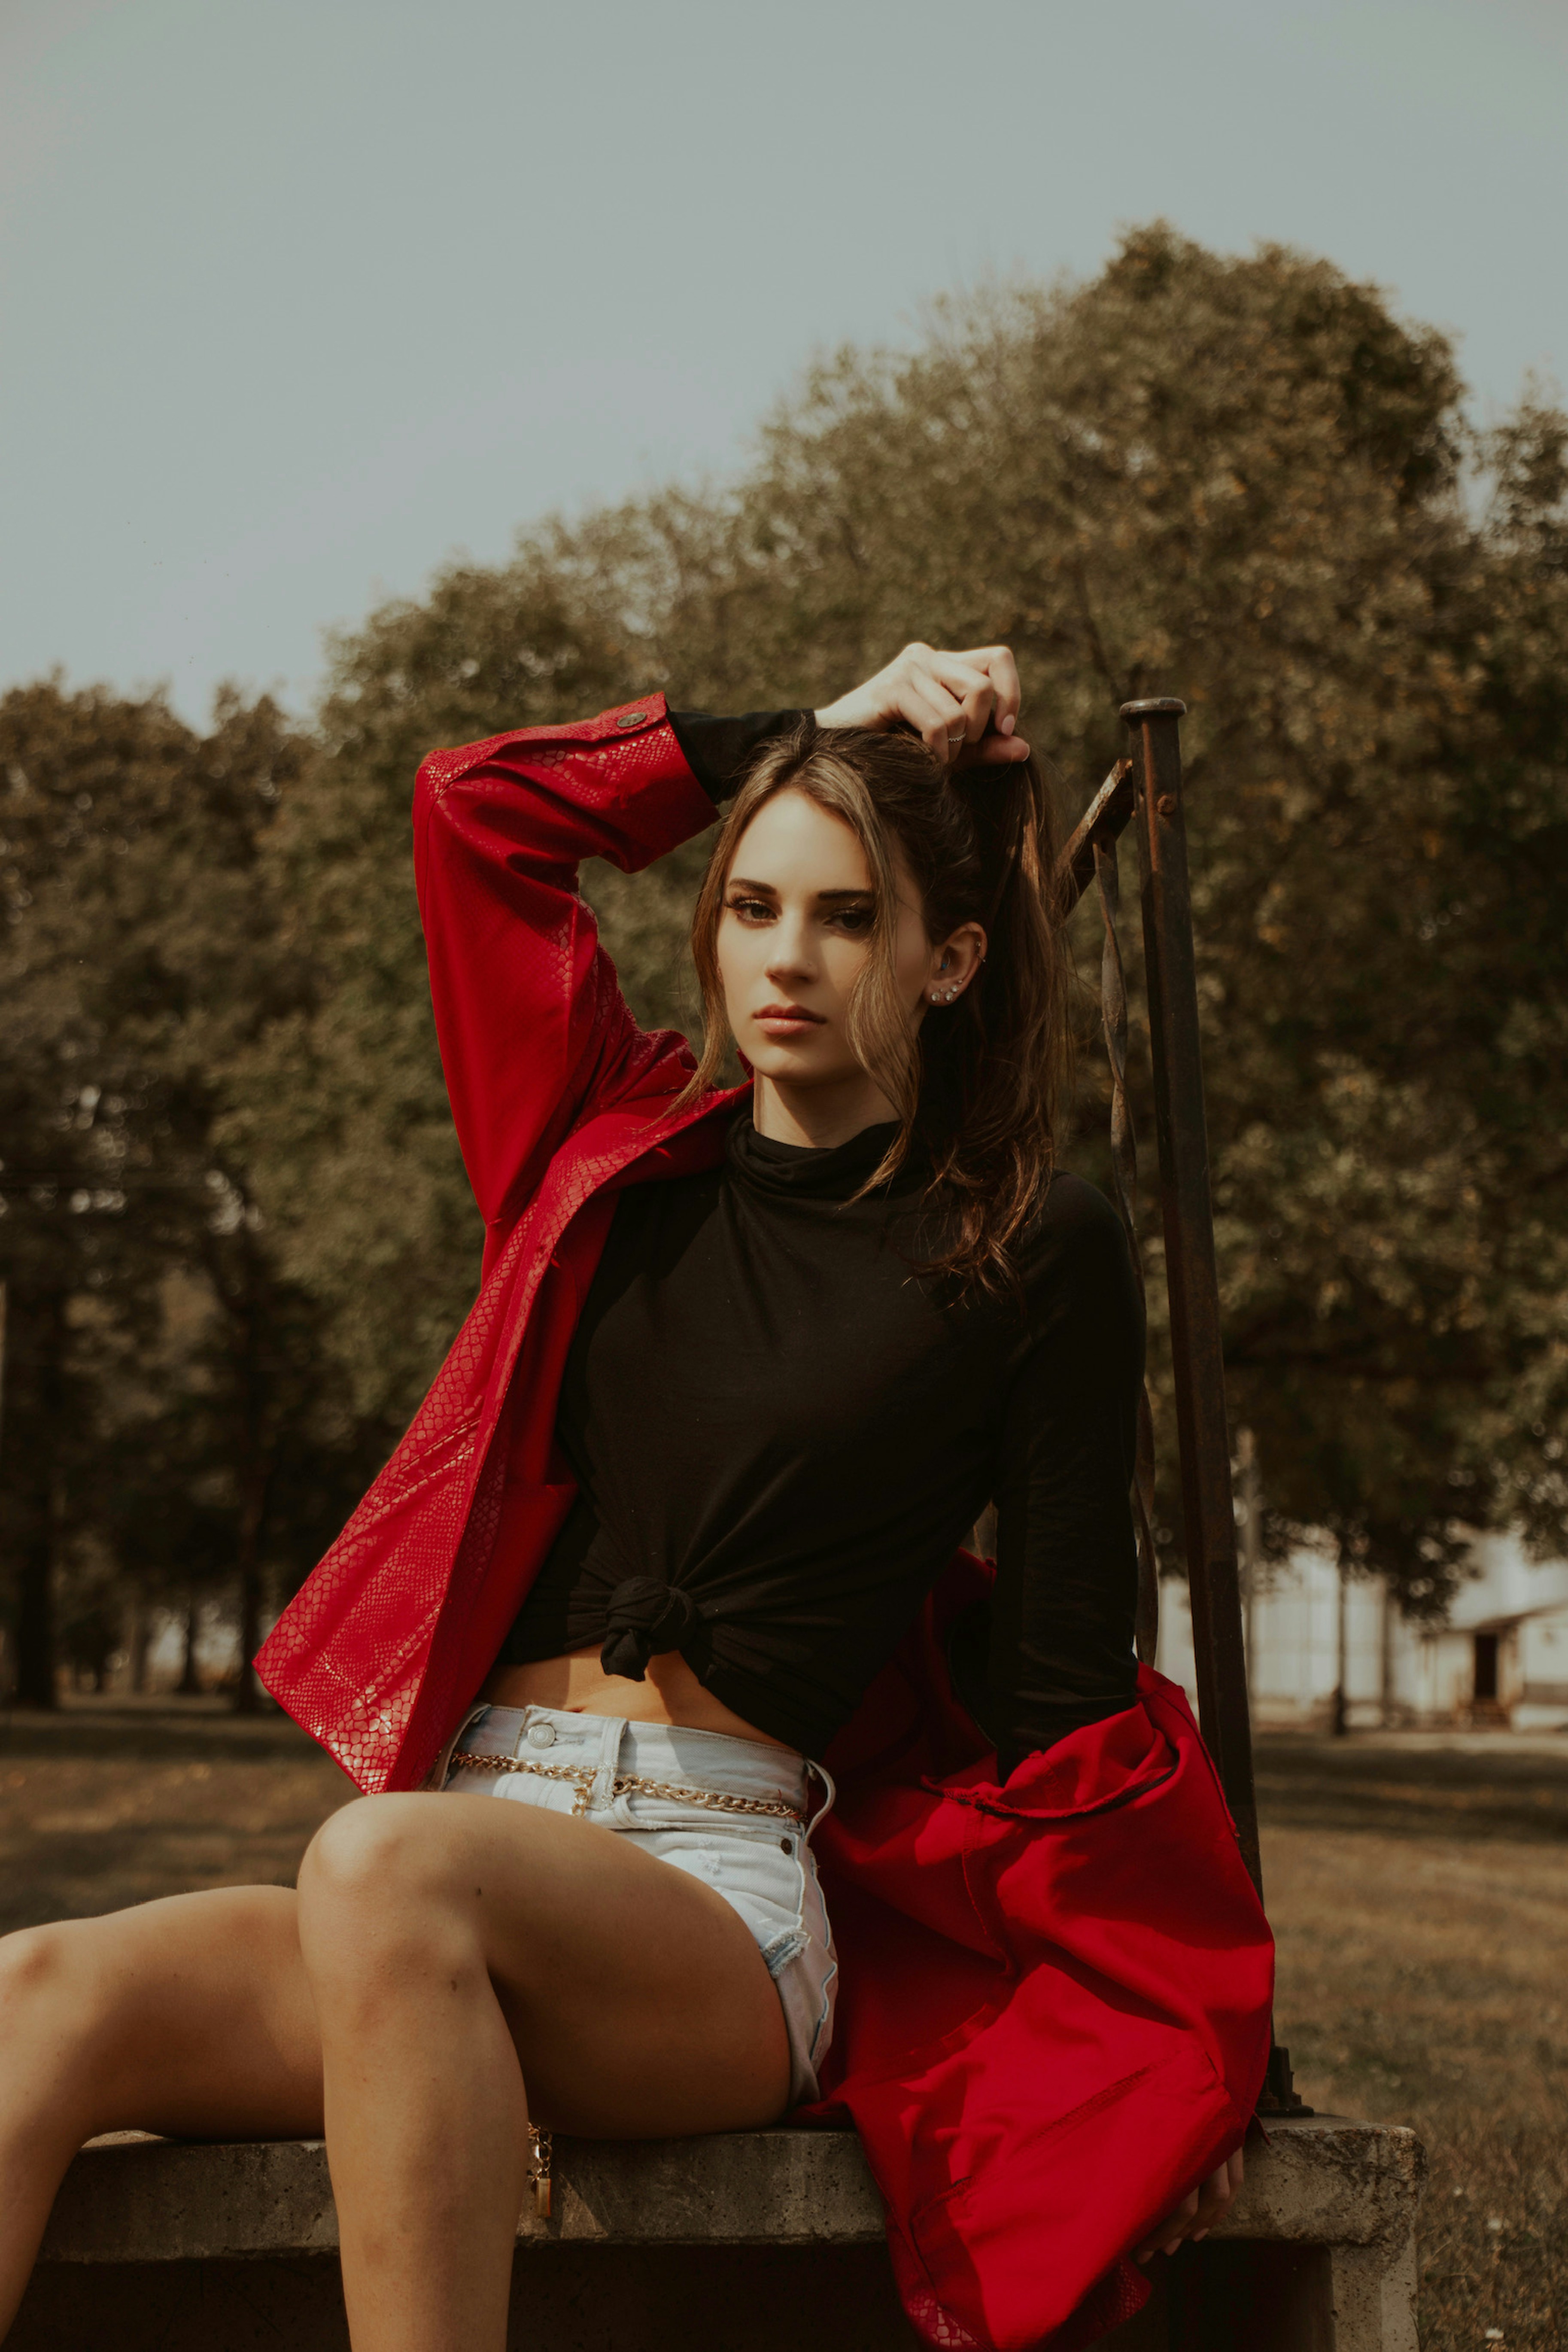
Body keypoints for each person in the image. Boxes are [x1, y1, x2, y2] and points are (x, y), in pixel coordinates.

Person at [0, 645, 1272, 2352]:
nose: (785, 956)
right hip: (448, 1869)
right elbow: (473, 814)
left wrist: (1161, 2040)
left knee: (382, 1861)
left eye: (845, 917)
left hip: (712, 1902)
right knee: (34, 1990)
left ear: (951, 959)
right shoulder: (605, 1149)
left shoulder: (1028, 1241)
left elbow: (1060, 1689)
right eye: (752, 905)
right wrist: (798, 734)